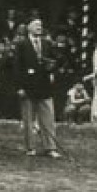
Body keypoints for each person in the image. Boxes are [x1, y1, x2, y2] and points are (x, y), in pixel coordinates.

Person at [14, 15, 62, 158]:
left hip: (44, 86)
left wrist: (52, 66)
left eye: (40, 25)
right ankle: (30, 147)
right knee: (28, 119)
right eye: (36, 25)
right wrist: (19, 87)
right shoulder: (22, 45)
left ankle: (50, 147)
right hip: (28, 87)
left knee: (48, 118)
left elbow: (56, 61)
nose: (39, 27)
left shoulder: (47, 44)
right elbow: (17, 67)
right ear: (28, 27)